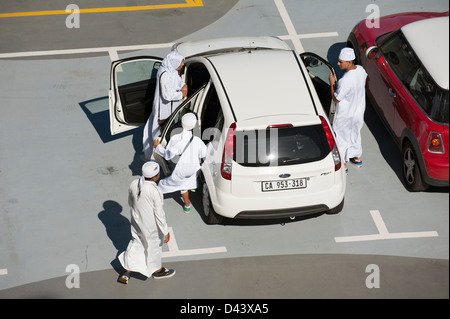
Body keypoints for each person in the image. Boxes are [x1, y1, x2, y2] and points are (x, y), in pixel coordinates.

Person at [118, 161, 175, 284]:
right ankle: (158, 271)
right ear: (155, 176)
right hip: (150, 226)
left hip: (136, 221)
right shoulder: (155, 190)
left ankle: (127, 271)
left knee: (136, 243)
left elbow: (130, 201)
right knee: (154, 246)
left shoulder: (134, 183)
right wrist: (165, 230)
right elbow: (159, 214)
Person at [153, 113, 207, 213]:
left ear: (181, 124)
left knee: (163, 185)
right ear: (194, 125)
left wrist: (158, 147)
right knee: (187, 183)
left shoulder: (176, 139)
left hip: (181, 170)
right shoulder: (197, 140)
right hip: (193, 169)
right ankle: (192, 188)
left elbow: (168, 155)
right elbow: (203, 153)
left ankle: (187, 205)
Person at [329, 47, 367, 174]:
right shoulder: (361, 71)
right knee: (355, 134)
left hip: (345, 115)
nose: (338, 63)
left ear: (349, 62)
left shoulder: (345, 81)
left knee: (340, 137)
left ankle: (343, 164)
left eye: (341, 62)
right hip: (358, 112)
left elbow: (336, 99)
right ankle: (356, 157)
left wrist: (332, 84)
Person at [143, 51, 188, 159]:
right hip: (163, 113)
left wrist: (184, 85)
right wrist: (181, 94)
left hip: (172, 110)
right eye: (181, 62)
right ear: (173, 62)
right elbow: (167, 95)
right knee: (159, 135)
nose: (182, 64)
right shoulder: (165, 74)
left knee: (170, 132)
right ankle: (157, 157)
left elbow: (179, 82)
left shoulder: (172, 71)